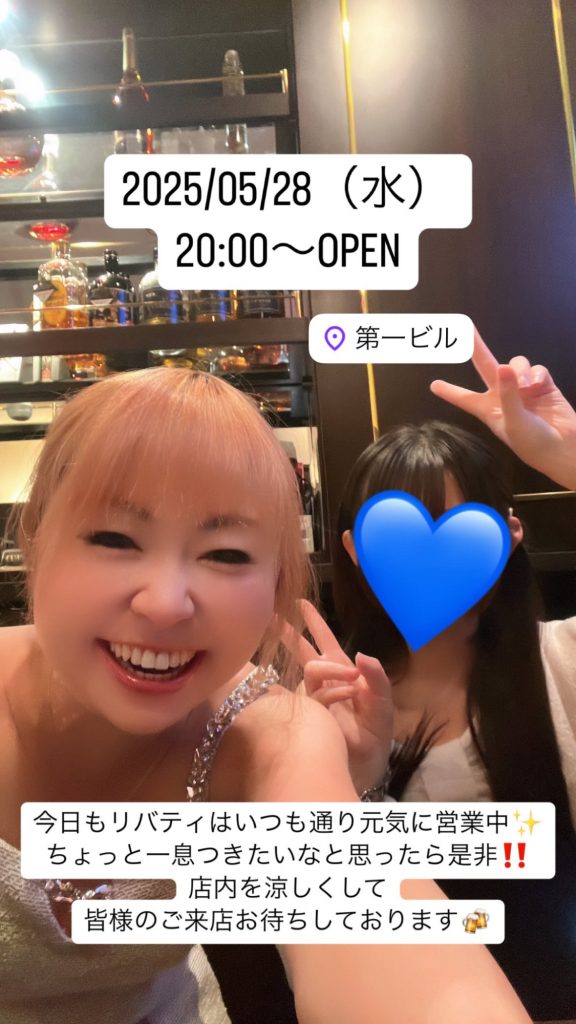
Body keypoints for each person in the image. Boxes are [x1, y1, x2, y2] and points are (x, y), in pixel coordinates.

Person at [0, 365, 532, 1024]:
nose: (165, 603)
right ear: (34, 538)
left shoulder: (269, 729)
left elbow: (390, 943)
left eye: (225, 554)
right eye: (114, 539)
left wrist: (356, 787)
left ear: (278, 577)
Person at [296, 330, 576, 1022]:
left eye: (462, 528)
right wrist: (356, 783)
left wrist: (566, 451)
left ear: (509, 536)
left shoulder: (561, 662)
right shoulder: (323, 706)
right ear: (357, 551)